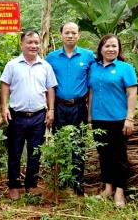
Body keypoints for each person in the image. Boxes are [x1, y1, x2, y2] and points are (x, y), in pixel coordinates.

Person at [0, 29, 57, 200]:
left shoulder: (45, 66)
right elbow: (4, 85)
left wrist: (51, 110)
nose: (33, 46)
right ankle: (14, 186)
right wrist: (4, 107)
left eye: (36, 42)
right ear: (22, 44)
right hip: (17, 115)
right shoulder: (12, 65)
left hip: (39, 116)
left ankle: (31, 185)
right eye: (29, 42)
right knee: (15, 152)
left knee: (35, 152)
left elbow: (50, 89)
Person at [46, 22, 95, 195]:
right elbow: (48, 85)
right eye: (67, 32)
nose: (70, 36)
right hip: (58, 105)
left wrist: (90, 111)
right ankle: (62, 180)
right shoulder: (51, 57)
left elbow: (93, 84)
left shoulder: (88, 56)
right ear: (61, 35)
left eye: (74, 33)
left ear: (79, 35)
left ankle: (77, 183)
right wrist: (49, 109)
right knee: (60, 143)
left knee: (78, 144)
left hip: (79, 106)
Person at [88, 34, 137, 207]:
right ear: (101, 49)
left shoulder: (126, 68)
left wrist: (129, 118)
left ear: (119, 49)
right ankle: (108, 188)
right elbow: (92, 92)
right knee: (104, 155)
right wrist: (89, 116)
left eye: (114, 46)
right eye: (107, 46)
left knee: (120, 157)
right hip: (98, 120)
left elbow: (132, 93)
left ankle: (120, 192)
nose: (111, 49)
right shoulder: (94, 67)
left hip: (118, 119)